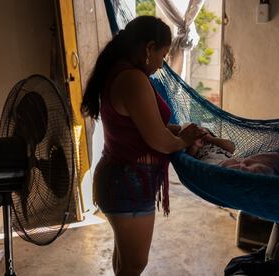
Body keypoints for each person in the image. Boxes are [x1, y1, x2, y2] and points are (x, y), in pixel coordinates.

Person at [80, 16, 204, 276]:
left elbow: (141, 126)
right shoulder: (132, 79)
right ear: (149, 48)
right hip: (128, 184)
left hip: (120, 180)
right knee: (134, 265)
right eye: (163, 54)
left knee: (125, 264)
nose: (162, 64)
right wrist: (183, 141)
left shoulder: (119, 71)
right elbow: (158, 140)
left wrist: (177, 132)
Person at [185, 126, 279, 175]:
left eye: (202, 131)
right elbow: (188, 160)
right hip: (211, 165)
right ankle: (252, 171)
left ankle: (256, 168)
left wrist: (211, 139)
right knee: (228, 169)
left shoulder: (216, 142)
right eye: (195, 133)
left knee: (271, 157)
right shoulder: (194, 148)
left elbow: (231, 148)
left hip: (232, 159)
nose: (200, 134)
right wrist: (194, 145)